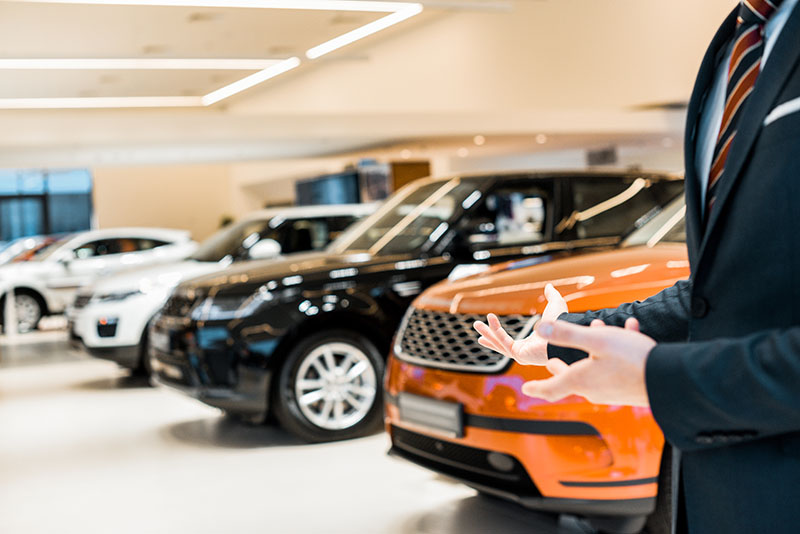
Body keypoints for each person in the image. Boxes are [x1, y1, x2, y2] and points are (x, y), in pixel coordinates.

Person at [474, 1, 800, 533]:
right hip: (720, 498)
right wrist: (568, 337)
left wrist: (660, 379)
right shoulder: (732, 43)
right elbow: (719, 291)